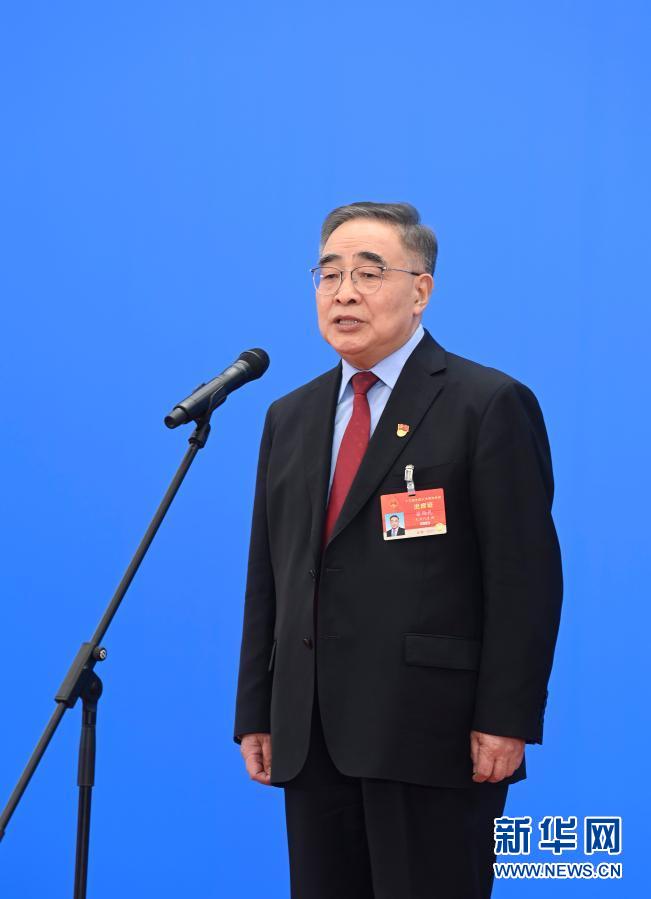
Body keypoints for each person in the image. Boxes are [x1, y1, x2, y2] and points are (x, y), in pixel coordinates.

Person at [233, 201, 563, 898]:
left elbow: (524, 579)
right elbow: (270, 575)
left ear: (421, 290)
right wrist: (257, 709)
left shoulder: (485, 403)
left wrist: (505, 717)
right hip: (311, 732)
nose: (344, 292)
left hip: (432, 733)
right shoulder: (289, 416)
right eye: (328, 274)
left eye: (368, 272)